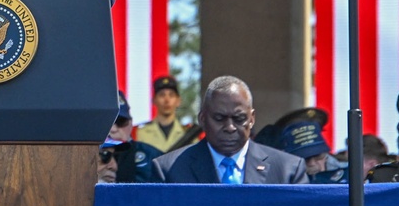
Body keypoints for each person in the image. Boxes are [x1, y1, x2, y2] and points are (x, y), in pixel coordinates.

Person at [152, 76, 308, 184]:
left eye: (239, 119)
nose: (230, 127)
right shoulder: (169, 170)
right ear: (202, 119)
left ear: (252, 118)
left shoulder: (288, 170)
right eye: (219, 119)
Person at [134, 76, 191, 153]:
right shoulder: (140, 133)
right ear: (154, 100)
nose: (167, 100)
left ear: (178, 101)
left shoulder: (188, 133)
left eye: (171, 95)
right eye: (162, 95)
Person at [280, 120, 346, 184]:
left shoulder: (349, 172)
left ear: (326, 154)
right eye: (305, 158)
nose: (312, 163)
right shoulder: (283, 180)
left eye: (318, 156)